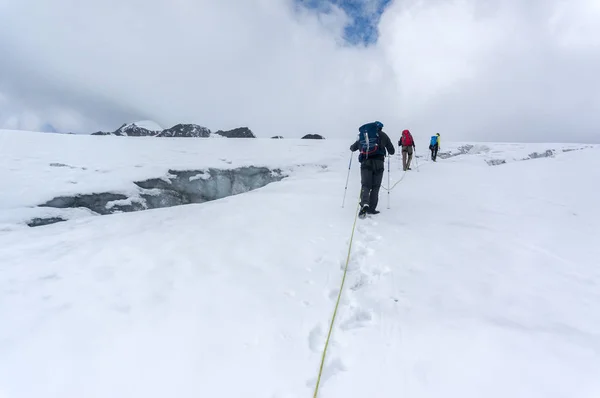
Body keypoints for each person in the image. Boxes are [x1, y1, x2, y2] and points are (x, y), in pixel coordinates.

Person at [350, 121, 395, 217]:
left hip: (365, 162)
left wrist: (355, 146)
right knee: (376, 186)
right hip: (379, 163)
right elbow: (392, 151)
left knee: (366, 185)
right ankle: (371, 209)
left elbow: (353, 148)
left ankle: (364, 204)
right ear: (381, 128)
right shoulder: (384, 135)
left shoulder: (364, 135)